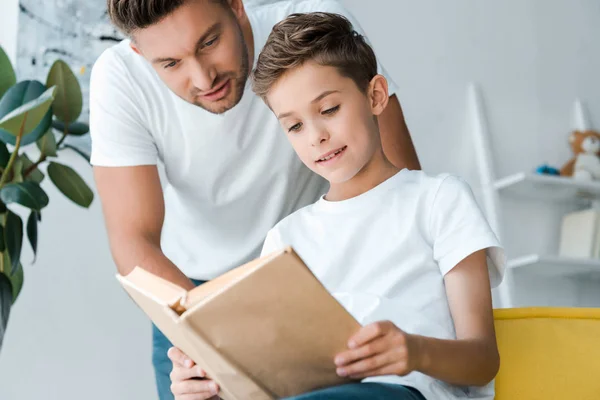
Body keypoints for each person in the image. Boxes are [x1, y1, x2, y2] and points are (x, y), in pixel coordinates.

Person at [168, 11, 505, 400]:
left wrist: (414, 351)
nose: (317, 137)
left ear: (375, 95)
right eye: (294, 126)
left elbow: (483, 360)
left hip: (408, 392)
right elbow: (279, 377)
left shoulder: (438, 199)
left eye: (328, 110)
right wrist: (212, 388)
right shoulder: (285, 239)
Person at [91, 0, 419, 399]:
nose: (202, 77)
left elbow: (398, 188)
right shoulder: (120, 76)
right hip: (191, 296)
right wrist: (210, 341)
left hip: (321, 279)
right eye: (170, 64)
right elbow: (133, 240)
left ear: (236, 5)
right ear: (141, 55)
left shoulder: (312, 26)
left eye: (209, 42)